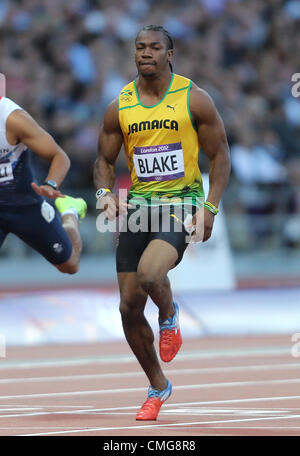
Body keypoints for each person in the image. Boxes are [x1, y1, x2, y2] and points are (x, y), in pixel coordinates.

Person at [93, 25, 231, 420]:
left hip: (181, 201)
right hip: (138, 206)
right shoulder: (120, 104)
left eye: (154, 47)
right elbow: (103, 160)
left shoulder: (194, 99)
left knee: (152, 276)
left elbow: (220, 156)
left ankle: (169, 317)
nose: (145, 53)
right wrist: (104, 196)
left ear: (170, 54)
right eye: (140, 47)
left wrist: (210, 207)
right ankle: (158, 386)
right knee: (128, 308)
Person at [0, 95, 87, 273]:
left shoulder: (12, 118)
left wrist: (51, 184)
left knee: (70, 265)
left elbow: (59, 156)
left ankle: (70, 211)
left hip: (24, 204)